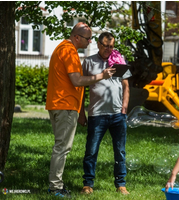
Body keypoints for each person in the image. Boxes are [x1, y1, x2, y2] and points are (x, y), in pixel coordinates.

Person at [46, 23, 116, 197]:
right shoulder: (69, 51)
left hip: (58, 104)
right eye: (88, 38)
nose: (90, 41)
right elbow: (77, 81)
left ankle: (56, 185)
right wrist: (102, 75)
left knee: (60, 146)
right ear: (77, 37)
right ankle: (55, 188)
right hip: (65, 105)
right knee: (62, 148)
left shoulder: (61, 48)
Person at [79, 32, 131, 195]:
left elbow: (126, 86)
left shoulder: (119, 60)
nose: (109, 49)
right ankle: (88, 184)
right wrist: (81, 112)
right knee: (91, 150)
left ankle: (121, 184)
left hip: (117, 115)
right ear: (99, 45)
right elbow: (80, 88)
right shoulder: (89, 61)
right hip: (97, 114)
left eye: (112, 46)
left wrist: (124, 106)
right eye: (106, 45)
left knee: (120, 151)